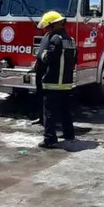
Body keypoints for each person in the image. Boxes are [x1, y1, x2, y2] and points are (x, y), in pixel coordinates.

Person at [35, 10, 76, 148]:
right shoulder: (70, 40)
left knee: (49, 113)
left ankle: (49, 139)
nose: (46, 29)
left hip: (53, 82)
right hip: (66, 82)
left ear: (52, 25)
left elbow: (49, 58)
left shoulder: (54, 39)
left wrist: (40, 53)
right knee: (65, 110)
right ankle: (69, 133)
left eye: (47, 26)